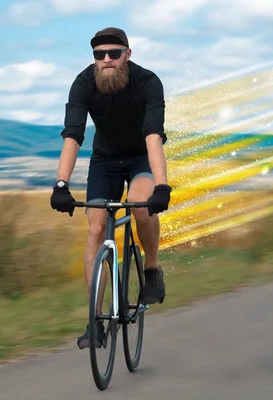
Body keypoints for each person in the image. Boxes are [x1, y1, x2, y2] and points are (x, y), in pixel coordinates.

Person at [50, 27, 172, 349]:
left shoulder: (148, 83)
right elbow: (73, 135)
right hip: (105, 160)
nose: (106, 60)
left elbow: (153, 137)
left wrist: (161, 185)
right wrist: (61, 184)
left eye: (114, 54)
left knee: (140, 202)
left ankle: (151, 269)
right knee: (95, 228)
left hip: (141, 156)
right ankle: (95, 322)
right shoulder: (84, 84)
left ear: (127, 55)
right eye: (99, 55)